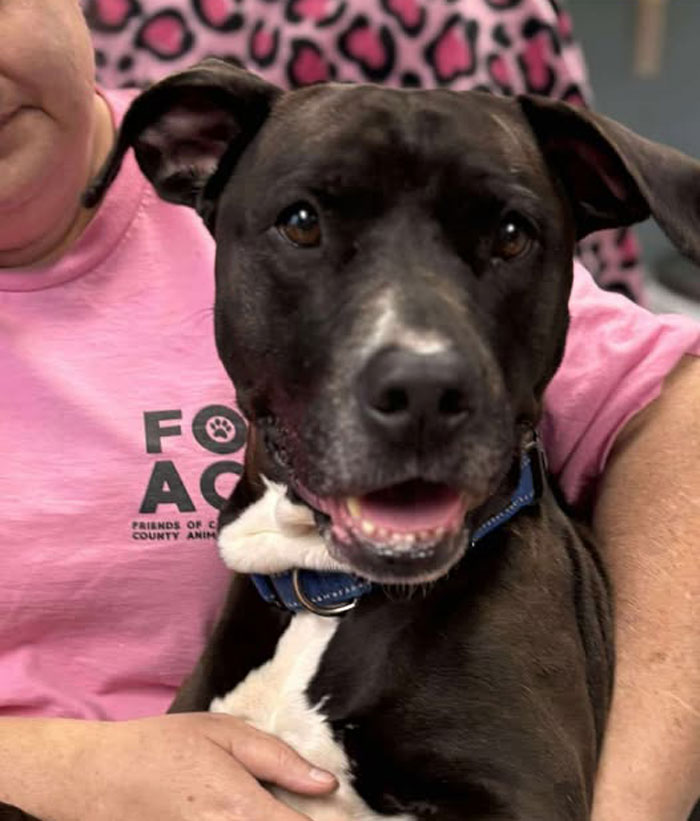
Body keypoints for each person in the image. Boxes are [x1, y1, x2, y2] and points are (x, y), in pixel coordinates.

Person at [0, 2, 698, 819]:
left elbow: (674, 412)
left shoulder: (352, 159)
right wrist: (60, 765)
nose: (420, 362)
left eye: (505, 239)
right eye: (304, 226)